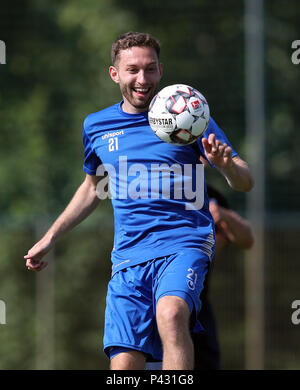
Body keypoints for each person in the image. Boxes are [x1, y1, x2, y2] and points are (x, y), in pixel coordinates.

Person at [24, 32, 254, 370]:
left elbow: (244, 181)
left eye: (150, 69)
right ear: (115, 74)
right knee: (125, 365)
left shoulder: (187, 114)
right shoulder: (97, 126)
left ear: (161, 70)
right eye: (132, 70)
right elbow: (92, 188)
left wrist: (226, 165)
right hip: (129, 256)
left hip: (183, 243)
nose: (142, 79)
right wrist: (51, 237)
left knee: (172, 313)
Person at [146, 184, 254, 370]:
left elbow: (245, 239)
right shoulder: (149, 188)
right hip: (151, 306)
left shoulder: (210, 195)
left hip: (197, 308)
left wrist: (222, 215)